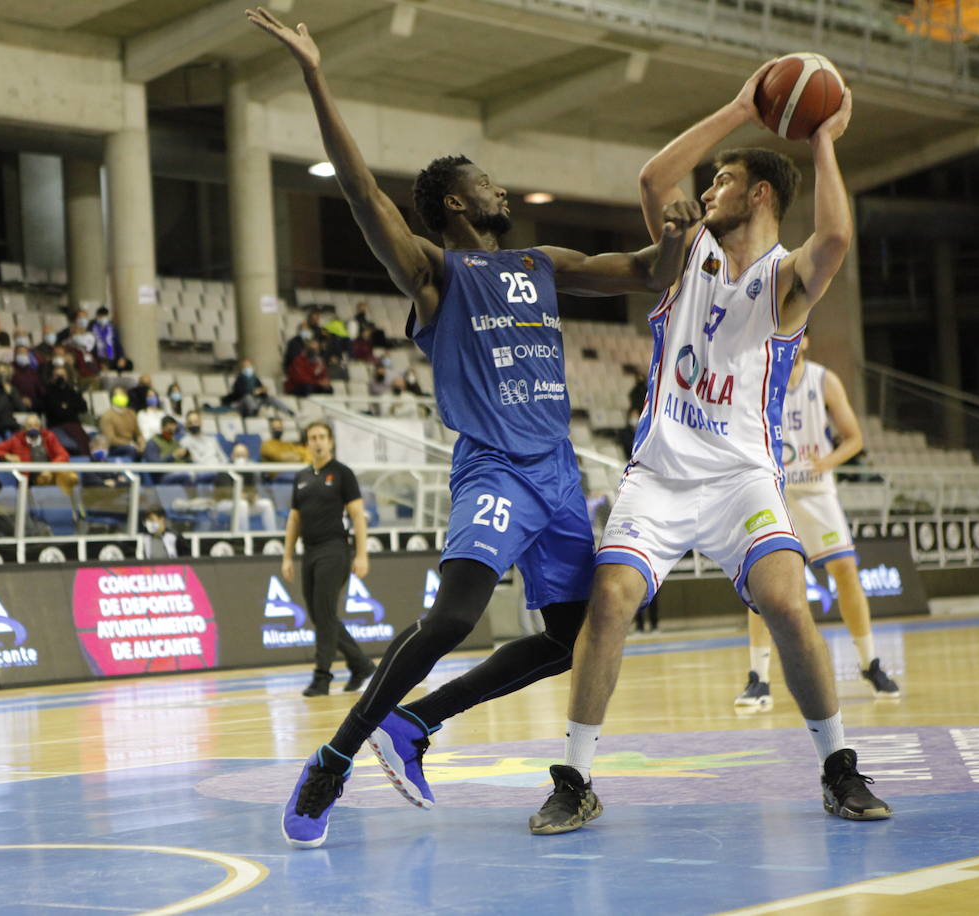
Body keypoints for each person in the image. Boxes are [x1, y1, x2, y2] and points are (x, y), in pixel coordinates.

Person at [247, 7, 701, 849]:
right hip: (494, 467)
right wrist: (315, 74)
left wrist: (675, 238)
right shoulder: (435, 272)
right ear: (459, 202)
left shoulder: (541, 265)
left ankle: (416, 724)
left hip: (559, 474)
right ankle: (334, 760)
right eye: (490, 182)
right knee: (454, 616)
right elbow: (361, 192)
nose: (503, 191)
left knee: (570, 639)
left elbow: (645, 274)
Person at [532, 63, 890, 836]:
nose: (709, 190)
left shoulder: (784, 278)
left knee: (790, 602)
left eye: (723, 180)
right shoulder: (681, 254)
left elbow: (834, 237)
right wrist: (737, 107)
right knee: (613, 600)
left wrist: (824, 137)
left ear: (759, 195)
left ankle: (838, 768)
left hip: (741, 479)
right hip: (659, 476)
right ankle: (575, 777)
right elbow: (654, 174)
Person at [736, 337, 900, 709]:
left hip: (815, 490)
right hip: (775, 490)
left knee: (845, 569)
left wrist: (828, 461)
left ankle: (870, 663)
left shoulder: (823, 380)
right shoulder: (758, 376)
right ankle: (758, 679)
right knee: (759, 581)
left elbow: (854, 438)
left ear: (805, 339)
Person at [282, 421, 375, 698]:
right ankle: (361, 664)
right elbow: (294, 518)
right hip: (309, 552)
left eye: (322, 437)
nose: (318, 441)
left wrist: (362, 554)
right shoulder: (301, 477)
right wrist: (287, 556)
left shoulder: (342, 473)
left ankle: (322, 677)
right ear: (307, 443)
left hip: (334, 550)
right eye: (313, 437)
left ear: (331, 442)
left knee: (324, 613)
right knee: (320, 615)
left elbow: (358, 516)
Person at [0, 415, 81, 514]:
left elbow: (63, 455)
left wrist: (50, 468)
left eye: (36, 425)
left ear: (40, 427)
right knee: (53, 478)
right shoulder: (16, 440)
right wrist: (7, 455)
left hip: (51, 471)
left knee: (70, 476)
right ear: (24, 428)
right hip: (31, 478)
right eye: (30, 426)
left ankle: (76, 512)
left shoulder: (48, 437)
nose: (33, 428)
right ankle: (69, 509)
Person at [216, 443, 278, 531]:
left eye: (243, 455)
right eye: (238, 455)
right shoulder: (225, 470)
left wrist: (252, 496)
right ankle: (243, 535)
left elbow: (252, 490)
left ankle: (272, 534)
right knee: (242, 504)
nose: (241, 458)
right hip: (224, 504)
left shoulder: (249, 471)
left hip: (245, 502)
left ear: (248, 456)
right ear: (232, 455)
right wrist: (239, 495)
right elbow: (224, 492)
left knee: (266, 504)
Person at [42, 365, 90, 456]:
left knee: (86, 443)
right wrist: (68, 407)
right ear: (52, 377)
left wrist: (66, 407)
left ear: (67, 377)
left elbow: (83, 407)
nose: (60, 378)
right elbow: (55, 411)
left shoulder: (72, 392)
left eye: (62, 375)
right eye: (57, 375)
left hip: (74, 425)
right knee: (70, 445)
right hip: (56, 426)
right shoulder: (47, 392)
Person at [224, 359, 294, 417]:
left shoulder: (255, 379)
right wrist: (255, 392)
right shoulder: (238, 380)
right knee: (248, 398)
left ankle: (289, 412)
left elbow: (262, 392)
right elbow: (239, 394)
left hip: (257, 400)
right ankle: (255, 414)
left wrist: (263, 390)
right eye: (245, 366)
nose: (247, 368)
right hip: (243, 403)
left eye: (249, 366)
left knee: (272, 399)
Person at [0, 360, 30, 437]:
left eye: (5, 372)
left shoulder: (11, 389)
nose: (3, 375)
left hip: (10, 423)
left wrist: (11, 394)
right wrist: (6, 394)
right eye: (0, 372)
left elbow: (22, 408)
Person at [98, 387, 143, 460]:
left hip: (131, 444)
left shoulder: (131, 413)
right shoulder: (107, 416)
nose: (121, 397)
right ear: (112, 398)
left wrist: (142, 444)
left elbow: (138, 434)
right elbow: (111, 439)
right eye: (118, 395)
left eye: (123, 395)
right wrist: (130, 444)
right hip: (115, 447)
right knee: (130, 450)